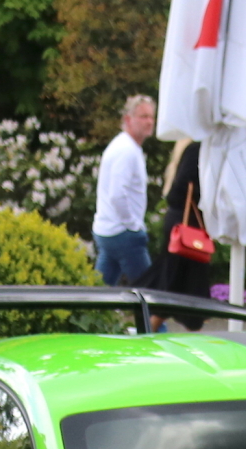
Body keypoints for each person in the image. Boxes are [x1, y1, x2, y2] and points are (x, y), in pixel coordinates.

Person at [144, 139, 211, 327]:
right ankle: (153, 327)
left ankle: (155, 327)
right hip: (187, 226)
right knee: (179, 282)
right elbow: (185, 184)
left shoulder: (186, 147)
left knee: (178, 280)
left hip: (181, 224)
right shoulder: (196, 148)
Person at [94, 95, 157, 285]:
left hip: (109, 231)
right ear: (128, 120)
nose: (149, 122)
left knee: (99, 295)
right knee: (148, 292)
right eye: (143, 116)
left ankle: (86, 314)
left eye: (151, 117)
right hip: (123, 233)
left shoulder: (125, 146)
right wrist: (133, 225)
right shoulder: (126, 150)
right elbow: (117, 194)